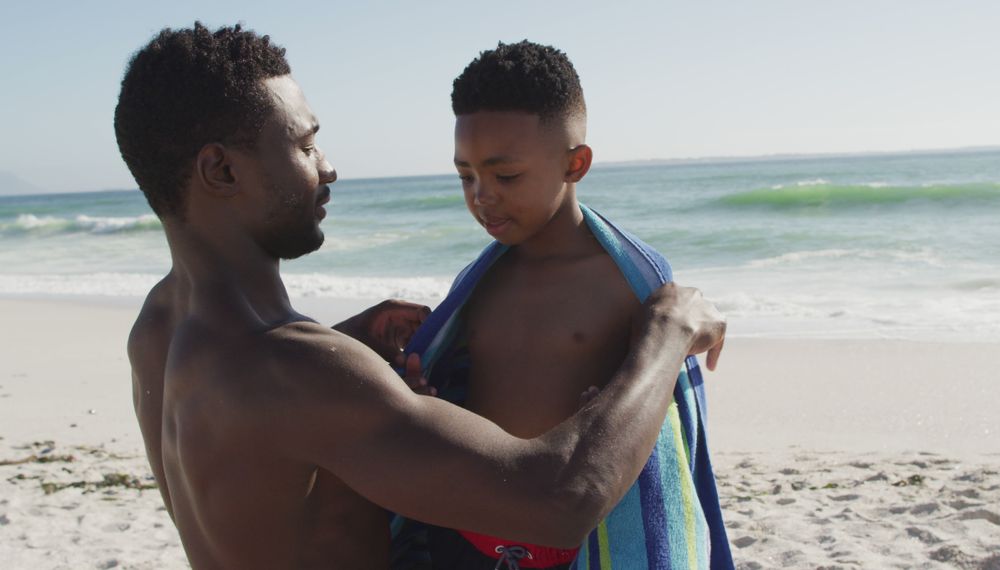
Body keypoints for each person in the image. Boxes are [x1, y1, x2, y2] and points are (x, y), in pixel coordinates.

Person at [115, 23, 727, 569]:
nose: (327, 168)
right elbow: (561, 497)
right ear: (221, 171)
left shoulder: (160, 326)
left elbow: (256, 457)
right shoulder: (299, 371)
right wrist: (665, 334)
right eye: (303, 145)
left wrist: (343, 343)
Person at [401, 41, 735, 569]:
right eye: (466, 175)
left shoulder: (630, 285)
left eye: (504, 175)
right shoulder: (480, 283)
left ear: (575, 163)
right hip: (468, 539)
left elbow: (651, 408)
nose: (481, 195)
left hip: (576, 547)